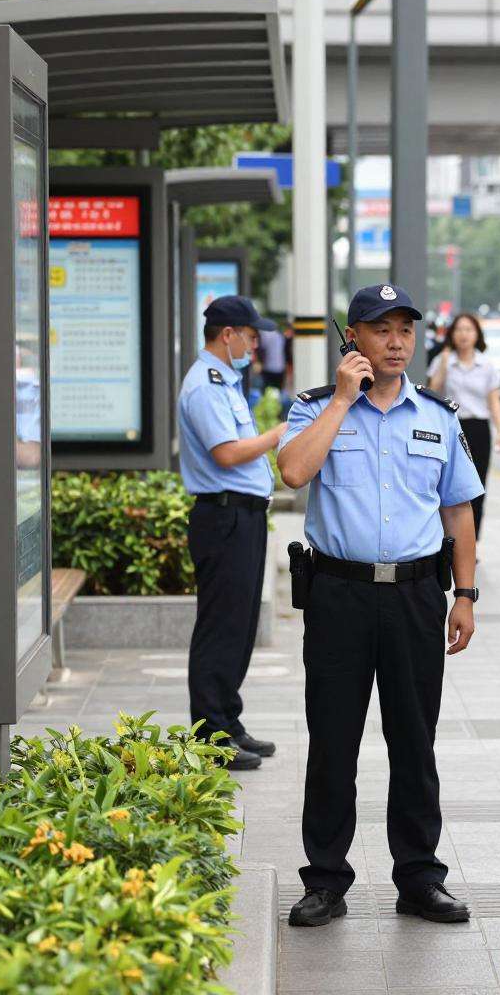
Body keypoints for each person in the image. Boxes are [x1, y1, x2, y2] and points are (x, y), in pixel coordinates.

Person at [277, 283, 483, 929]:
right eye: (380, 329)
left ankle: (420, 876)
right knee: (332, 739)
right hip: (338, 594)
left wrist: (467, 594)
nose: (396, 342)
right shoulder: (315, 409)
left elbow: (459, 511)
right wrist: (342, 399)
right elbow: (291, 472)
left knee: (414, 741)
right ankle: (326, 879)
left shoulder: (439, 418)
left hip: (418, 595)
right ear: (354, 339)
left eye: (405, 330)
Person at [177, 295, 287, 771]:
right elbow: (226, 453)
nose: (255, 344)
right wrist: (279, 433)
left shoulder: (224, 381)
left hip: (242, 517)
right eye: (250, 335)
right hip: (222, 518)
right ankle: (210, 735)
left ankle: (229, 722)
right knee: (221, 626)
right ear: (228, 335)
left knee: (239, 626)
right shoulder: (204, 386)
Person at [426, 313, 500, 539]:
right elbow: (433, 391)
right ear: (452, 334)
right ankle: (447, 538)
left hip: (479, 430)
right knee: (448, 485)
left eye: (469, 330)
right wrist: (443, 363)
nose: (464, 334)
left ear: (477, 334)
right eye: (459, 329)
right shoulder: (443, 361)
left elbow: (494, 401)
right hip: (451, 428)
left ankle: (472, 541)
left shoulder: (486, 364)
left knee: (476, 487)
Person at [258, 320, 288, 391]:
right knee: (277, 390)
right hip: (279, 367)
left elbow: (261, 348)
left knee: (267, 389)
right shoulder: (280, 336)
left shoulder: (265, 334)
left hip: (268, 367)